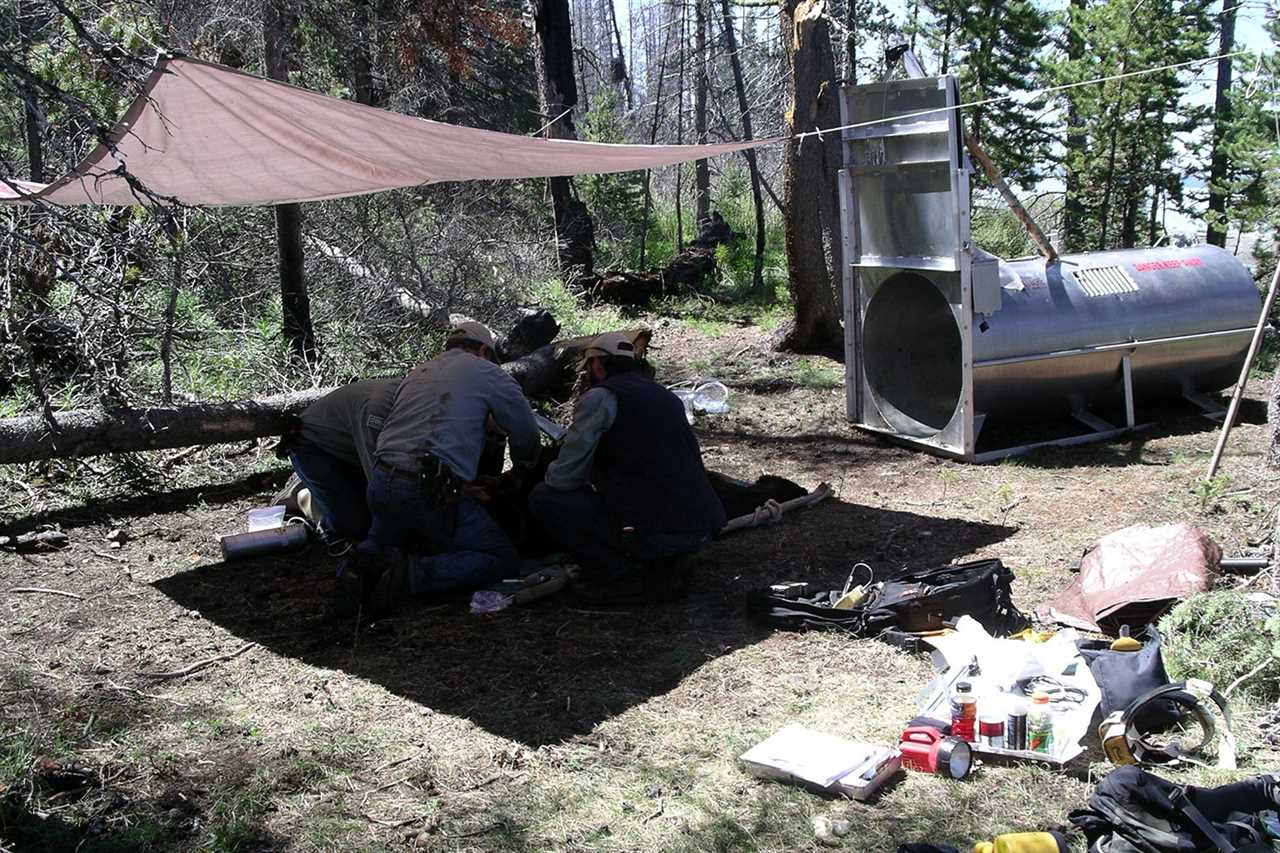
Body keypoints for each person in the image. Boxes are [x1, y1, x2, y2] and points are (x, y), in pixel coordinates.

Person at [342, 321, 541, 615]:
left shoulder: (419, 372)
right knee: (500, 558)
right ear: (484, 350)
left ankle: (359, 568)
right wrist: (522, 469)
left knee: (381, 538)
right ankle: (406, 576)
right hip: (429, 488)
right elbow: (525, 433)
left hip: (382, 479)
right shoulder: (488, 372)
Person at [529, 331, 725, 601]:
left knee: (545, 497)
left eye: (588, 366)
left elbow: (564, 478)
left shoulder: (600, 397)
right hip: (701, 523)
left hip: (655, 527)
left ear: (597, 364)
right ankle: (669, 559)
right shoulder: (664, 395)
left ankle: (620, 574)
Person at [287, 377, 400, 541]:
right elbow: (379, 482)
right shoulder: (377, 410)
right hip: (310, 446)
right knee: (354, 528)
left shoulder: (423, 403)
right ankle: (302, 495)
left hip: (348, 449)